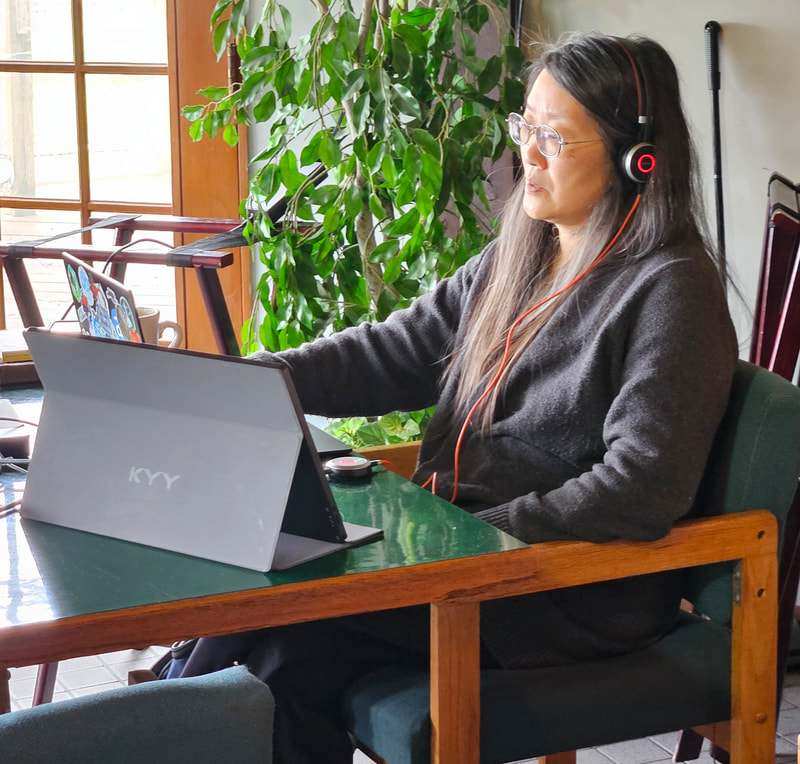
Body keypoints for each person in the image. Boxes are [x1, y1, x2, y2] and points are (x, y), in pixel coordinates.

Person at [176, 31, 738, 763]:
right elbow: (395, 350)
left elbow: (640, 487)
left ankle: (168, 716)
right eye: (525, 126)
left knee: (280, 636)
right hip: (465, 559)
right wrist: (249, 378)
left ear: (639, 159)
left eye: (554, 138)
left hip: (561, 590)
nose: (527, 154)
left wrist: (468, 543)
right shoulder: (524, 251)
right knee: (268, 637)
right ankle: (174, 714)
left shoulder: (671, 289)